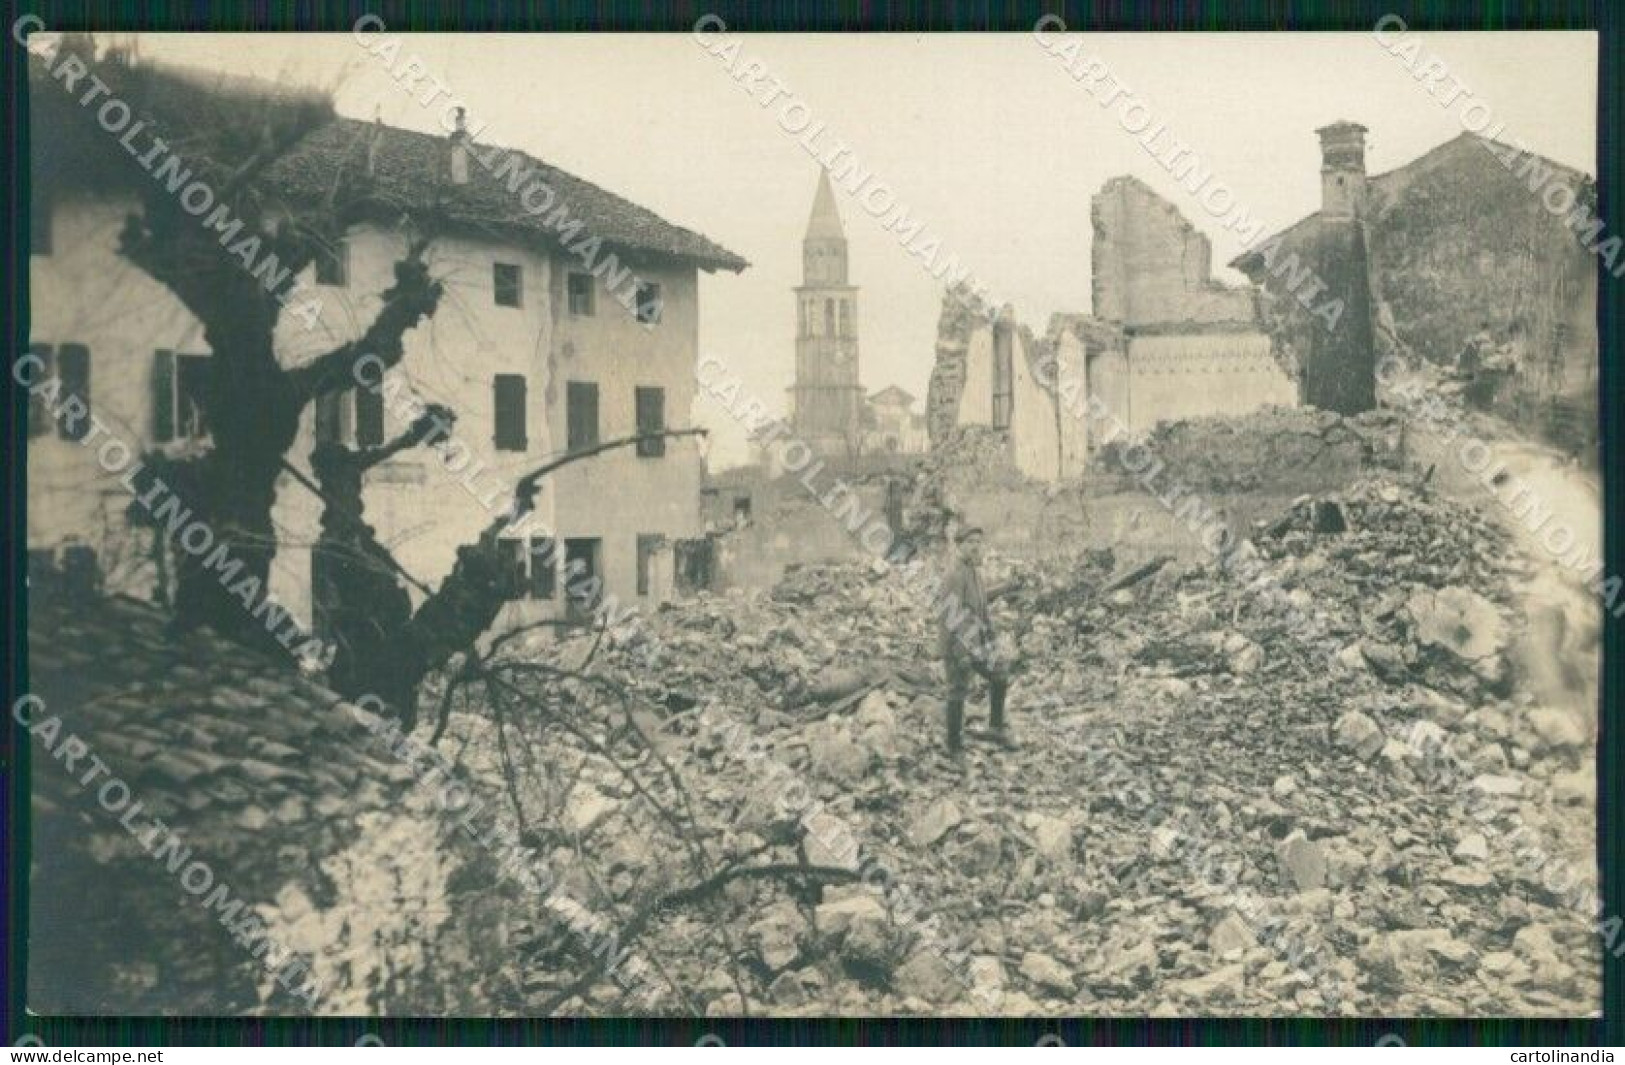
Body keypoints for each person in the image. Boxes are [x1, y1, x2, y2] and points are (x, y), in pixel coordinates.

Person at [939, 526, 1010, 756]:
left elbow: (982, 608)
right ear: (959, 545)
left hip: (977, 642)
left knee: (1000, 675)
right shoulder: (954, 575)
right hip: (957, 644)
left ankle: (996, 728)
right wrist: (960, 654)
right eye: (970, 542)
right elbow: (950, 616)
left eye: (978, 542)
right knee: (957, 690)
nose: (975, 546)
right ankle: (953, 745)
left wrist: (990, 638)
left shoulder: (976, 573)